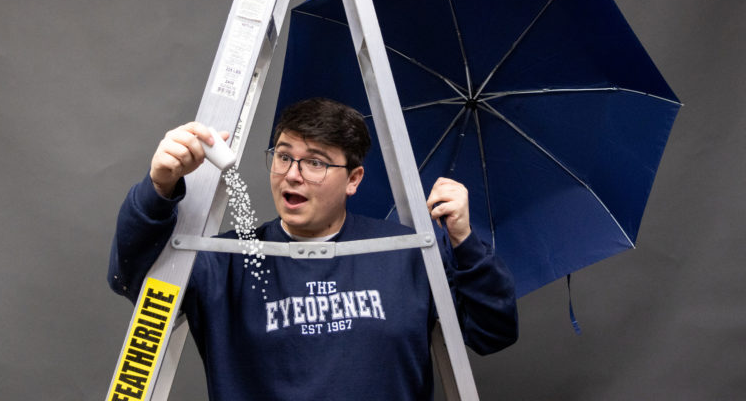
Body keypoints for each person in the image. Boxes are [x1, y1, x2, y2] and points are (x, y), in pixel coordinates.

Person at [109, 97, 517, 400]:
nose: (293, 175)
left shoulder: (404, 251)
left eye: (316, 162)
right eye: (284, 157)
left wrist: (464, 241)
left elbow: (494, 331)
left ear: (353, 179)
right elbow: (130, 279)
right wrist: (158, 188)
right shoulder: (226, 259)